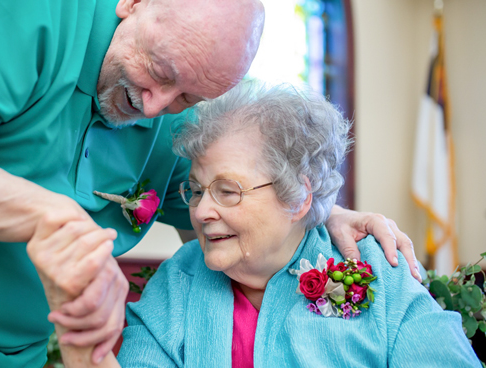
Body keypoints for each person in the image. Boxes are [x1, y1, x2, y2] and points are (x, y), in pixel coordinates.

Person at [0, 0, 418, 367]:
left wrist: (318, 211)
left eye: (189, 95)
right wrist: (53, 218)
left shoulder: (173, 115)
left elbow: (232, 200)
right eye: (159, 71)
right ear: (133, 0)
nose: (155, 105)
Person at [70, 81, 475, 367]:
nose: (201, 212)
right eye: (195, 190)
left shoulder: (378, 272)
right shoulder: (178, 281)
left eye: (227, 191)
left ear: (298, 196)